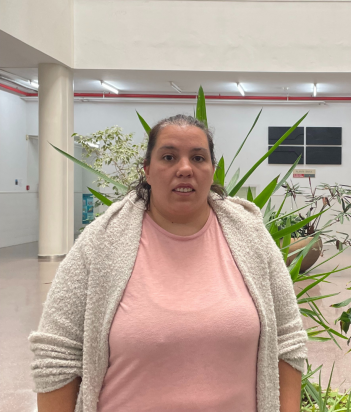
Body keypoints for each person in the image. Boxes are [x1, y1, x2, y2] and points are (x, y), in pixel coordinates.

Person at [29, 114, 308, 412]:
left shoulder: (251, 235)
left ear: (212, 171)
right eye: (169, 157)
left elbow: (287, 339)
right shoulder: (102, 241)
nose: (185, 168)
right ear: (147, 170)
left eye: (198, 158)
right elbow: (56, 354)